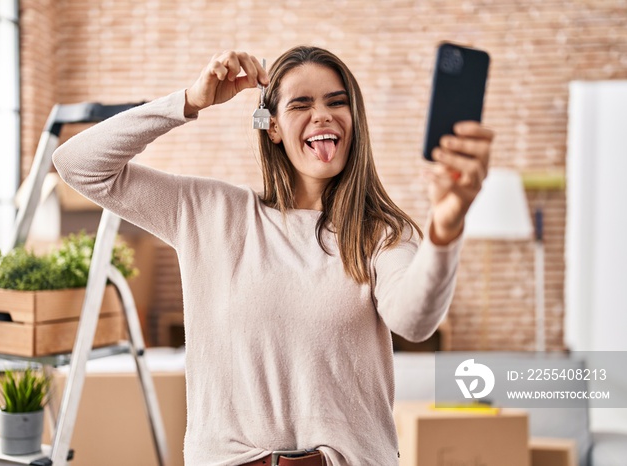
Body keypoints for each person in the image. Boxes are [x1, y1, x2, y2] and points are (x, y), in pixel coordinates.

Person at [53, 46, 492, 466]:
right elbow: (77, 163)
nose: (322, 114)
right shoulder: (211, 213)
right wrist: (189, 101)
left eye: (336, 102)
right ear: (274, 127)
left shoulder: (381, 234)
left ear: (353, 121)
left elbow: (414, 320)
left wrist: (446, 226)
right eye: (301, 104)